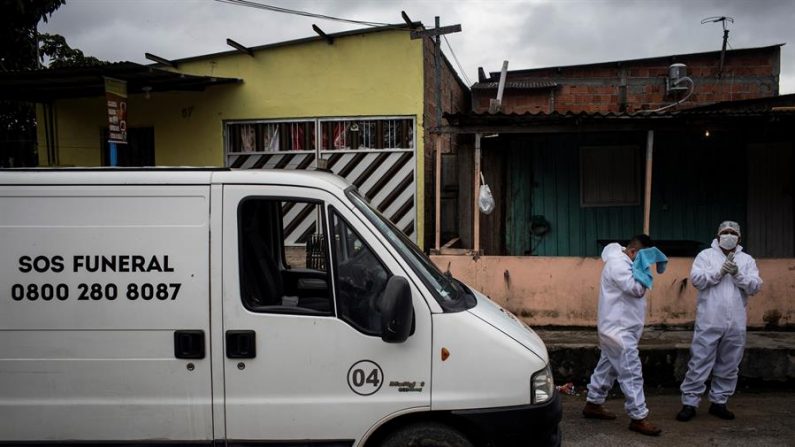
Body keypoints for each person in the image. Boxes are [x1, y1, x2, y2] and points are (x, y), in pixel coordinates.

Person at [676, 221, 762, 422]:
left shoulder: (747, 260)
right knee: (699, 362)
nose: (729, 235)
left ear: (739, 238)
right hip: (709, 319)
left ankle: (719, 402)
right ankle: (689, 403)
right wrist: (719, 272)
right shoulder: (705, 256)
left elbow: (755, 286)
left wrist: (737, 274)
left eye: (733, 232)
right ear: (717, 235)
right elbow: (697, 280)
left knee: (730, 364)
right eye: (725, 232)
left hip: (736, 322)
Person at [582, 235, 662, 436]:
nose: (645, 265)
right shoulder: (618, 265)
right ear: (634, 252)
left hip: (620, 327)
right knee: (631, 373)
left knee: (607, 366)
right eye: (643, 260)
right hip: (619, 330)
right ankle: (638, 417)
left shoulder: (624, 260)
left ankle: (593, 403)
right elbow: (636, 289)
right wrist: (643, 269)